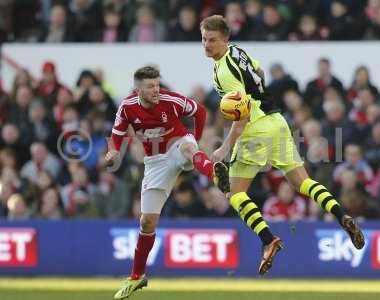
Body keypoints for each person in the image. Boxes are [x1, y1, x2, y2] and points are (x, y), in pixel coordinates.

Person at [200, 15, 365, 275]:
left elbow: (241, 116)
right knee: (302, 182)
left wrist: (224, 149)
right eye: (204, 39)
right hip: (277, 121)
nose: (206, 45)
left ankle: (268, 240)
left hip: (255, 129)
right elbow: (261, 73)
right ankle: (341, 214)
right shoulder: (237, 52)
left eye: (212, 40)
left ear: (225, 39)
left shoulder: (224, 71)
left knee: (235, 194)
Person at [105, 66, 228, 299]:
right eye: (150, 86)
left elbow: (200, 112)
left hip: (178, 144)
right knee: (147, 223)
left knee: (188, 147)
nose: (156, 90)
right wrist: (113, 151)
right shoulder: (127, 107)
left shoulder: (171, 100)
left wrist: (197, 138)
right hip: (155, 162)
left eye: (157, 84)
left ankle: (215, 173)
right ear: (137, 90)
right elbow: (117, 133)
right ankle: (136, 277)